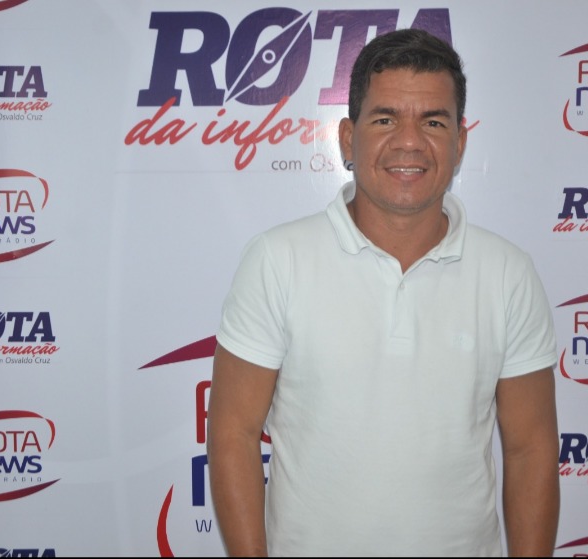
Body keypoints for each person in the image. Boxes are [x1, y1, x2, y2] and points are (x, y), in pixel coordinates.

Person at [207, 28, 559, 557]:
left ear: (460, 142)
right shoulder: (277, 260)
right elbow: (233, 433)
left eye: (433, 121)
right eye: (385, 119)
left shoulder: (508, 272)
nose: (409, 141)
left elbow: (531, 449)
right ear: (348, 139)